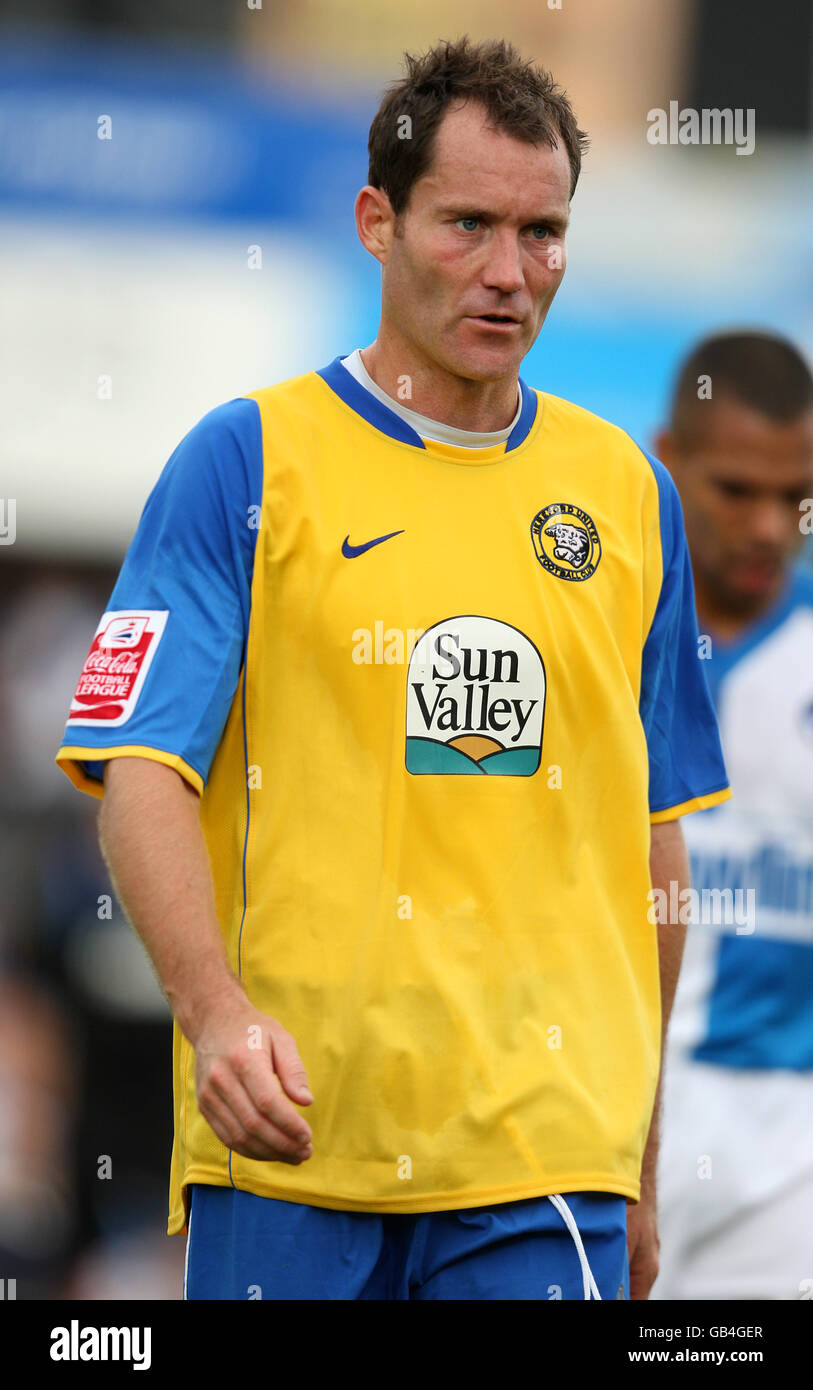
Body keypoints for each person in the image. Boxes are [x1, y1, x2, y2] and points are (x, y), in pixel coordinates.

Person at [55, 36, 729, 1302]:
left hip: (543, 1166)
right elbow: (141, 768)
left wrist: (637, 1144)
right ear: (379, 220)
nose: (509, 273)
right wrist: (213, 1015)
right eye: (467, 223)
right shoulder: (244, 463)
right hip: (294, 1143)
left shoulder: (629, 496)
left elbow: (657, 832)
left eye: (543, 233)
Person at [649, 330, 813, 1301]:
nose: (768, 527)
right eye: (735, 490)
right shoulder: (594, 638)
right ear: (667, 459)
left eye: (797, 498)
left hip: (787, 1155)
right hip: (589, 1113)